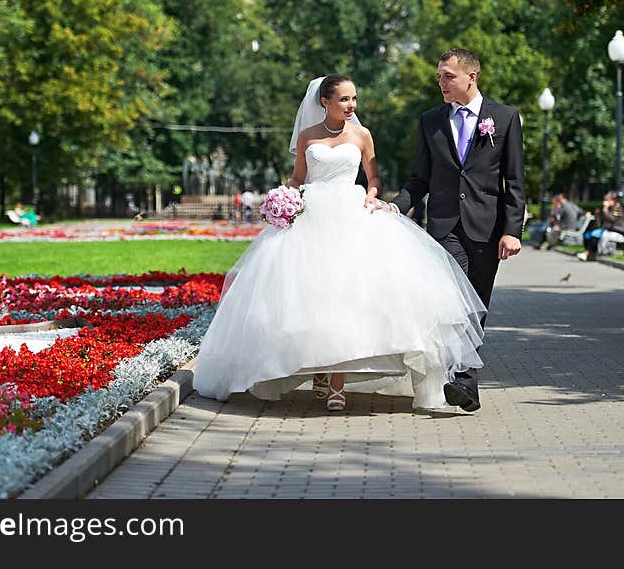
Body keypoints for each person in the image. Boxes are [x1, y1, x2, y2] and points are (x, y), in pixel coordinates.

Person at [193, 75, 486, 412]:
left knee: (349, 296)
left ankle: (337, 381)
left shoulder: (362, 135)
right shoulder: (307, 137)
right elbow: (298, 179)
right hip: (313, 218)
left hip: (351, 214)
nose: (351, 106)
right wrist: (284, 199)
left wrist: (374, 194)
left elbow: (373, 178)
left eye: (354, 99)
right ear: (325, 102)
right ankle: (320, 368)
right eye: (344, 99)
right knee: (313, 297)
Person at [381, 48, 526, 414]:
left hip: (488, 229)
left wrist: (512, 231)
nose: (441, 83)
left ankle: (465, 383)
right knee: (454, 304)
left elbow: (515, 181)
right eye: (439, 77)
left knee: (477, 307)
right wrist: (397, 205)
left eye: (448, 76)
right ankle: (463, 381)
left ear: (471, 77)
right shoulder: (430, 121)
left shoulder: (505, 118)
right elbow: (420, 178)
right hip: (444, 228)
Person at [577, 191, 624, 261]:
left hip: (615, 230)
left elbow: (612, 219)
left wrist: (605, 210)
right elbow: (599, 222)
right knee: (587, 234)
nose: (605, 202)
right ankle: (589, 253)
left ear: (613, 200)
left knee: (594, 234)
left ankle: (588, 253)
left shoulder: (617, 208)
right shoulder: (608, 208)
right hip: (606, 229)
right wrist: (598, 214)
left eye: (607, 200)